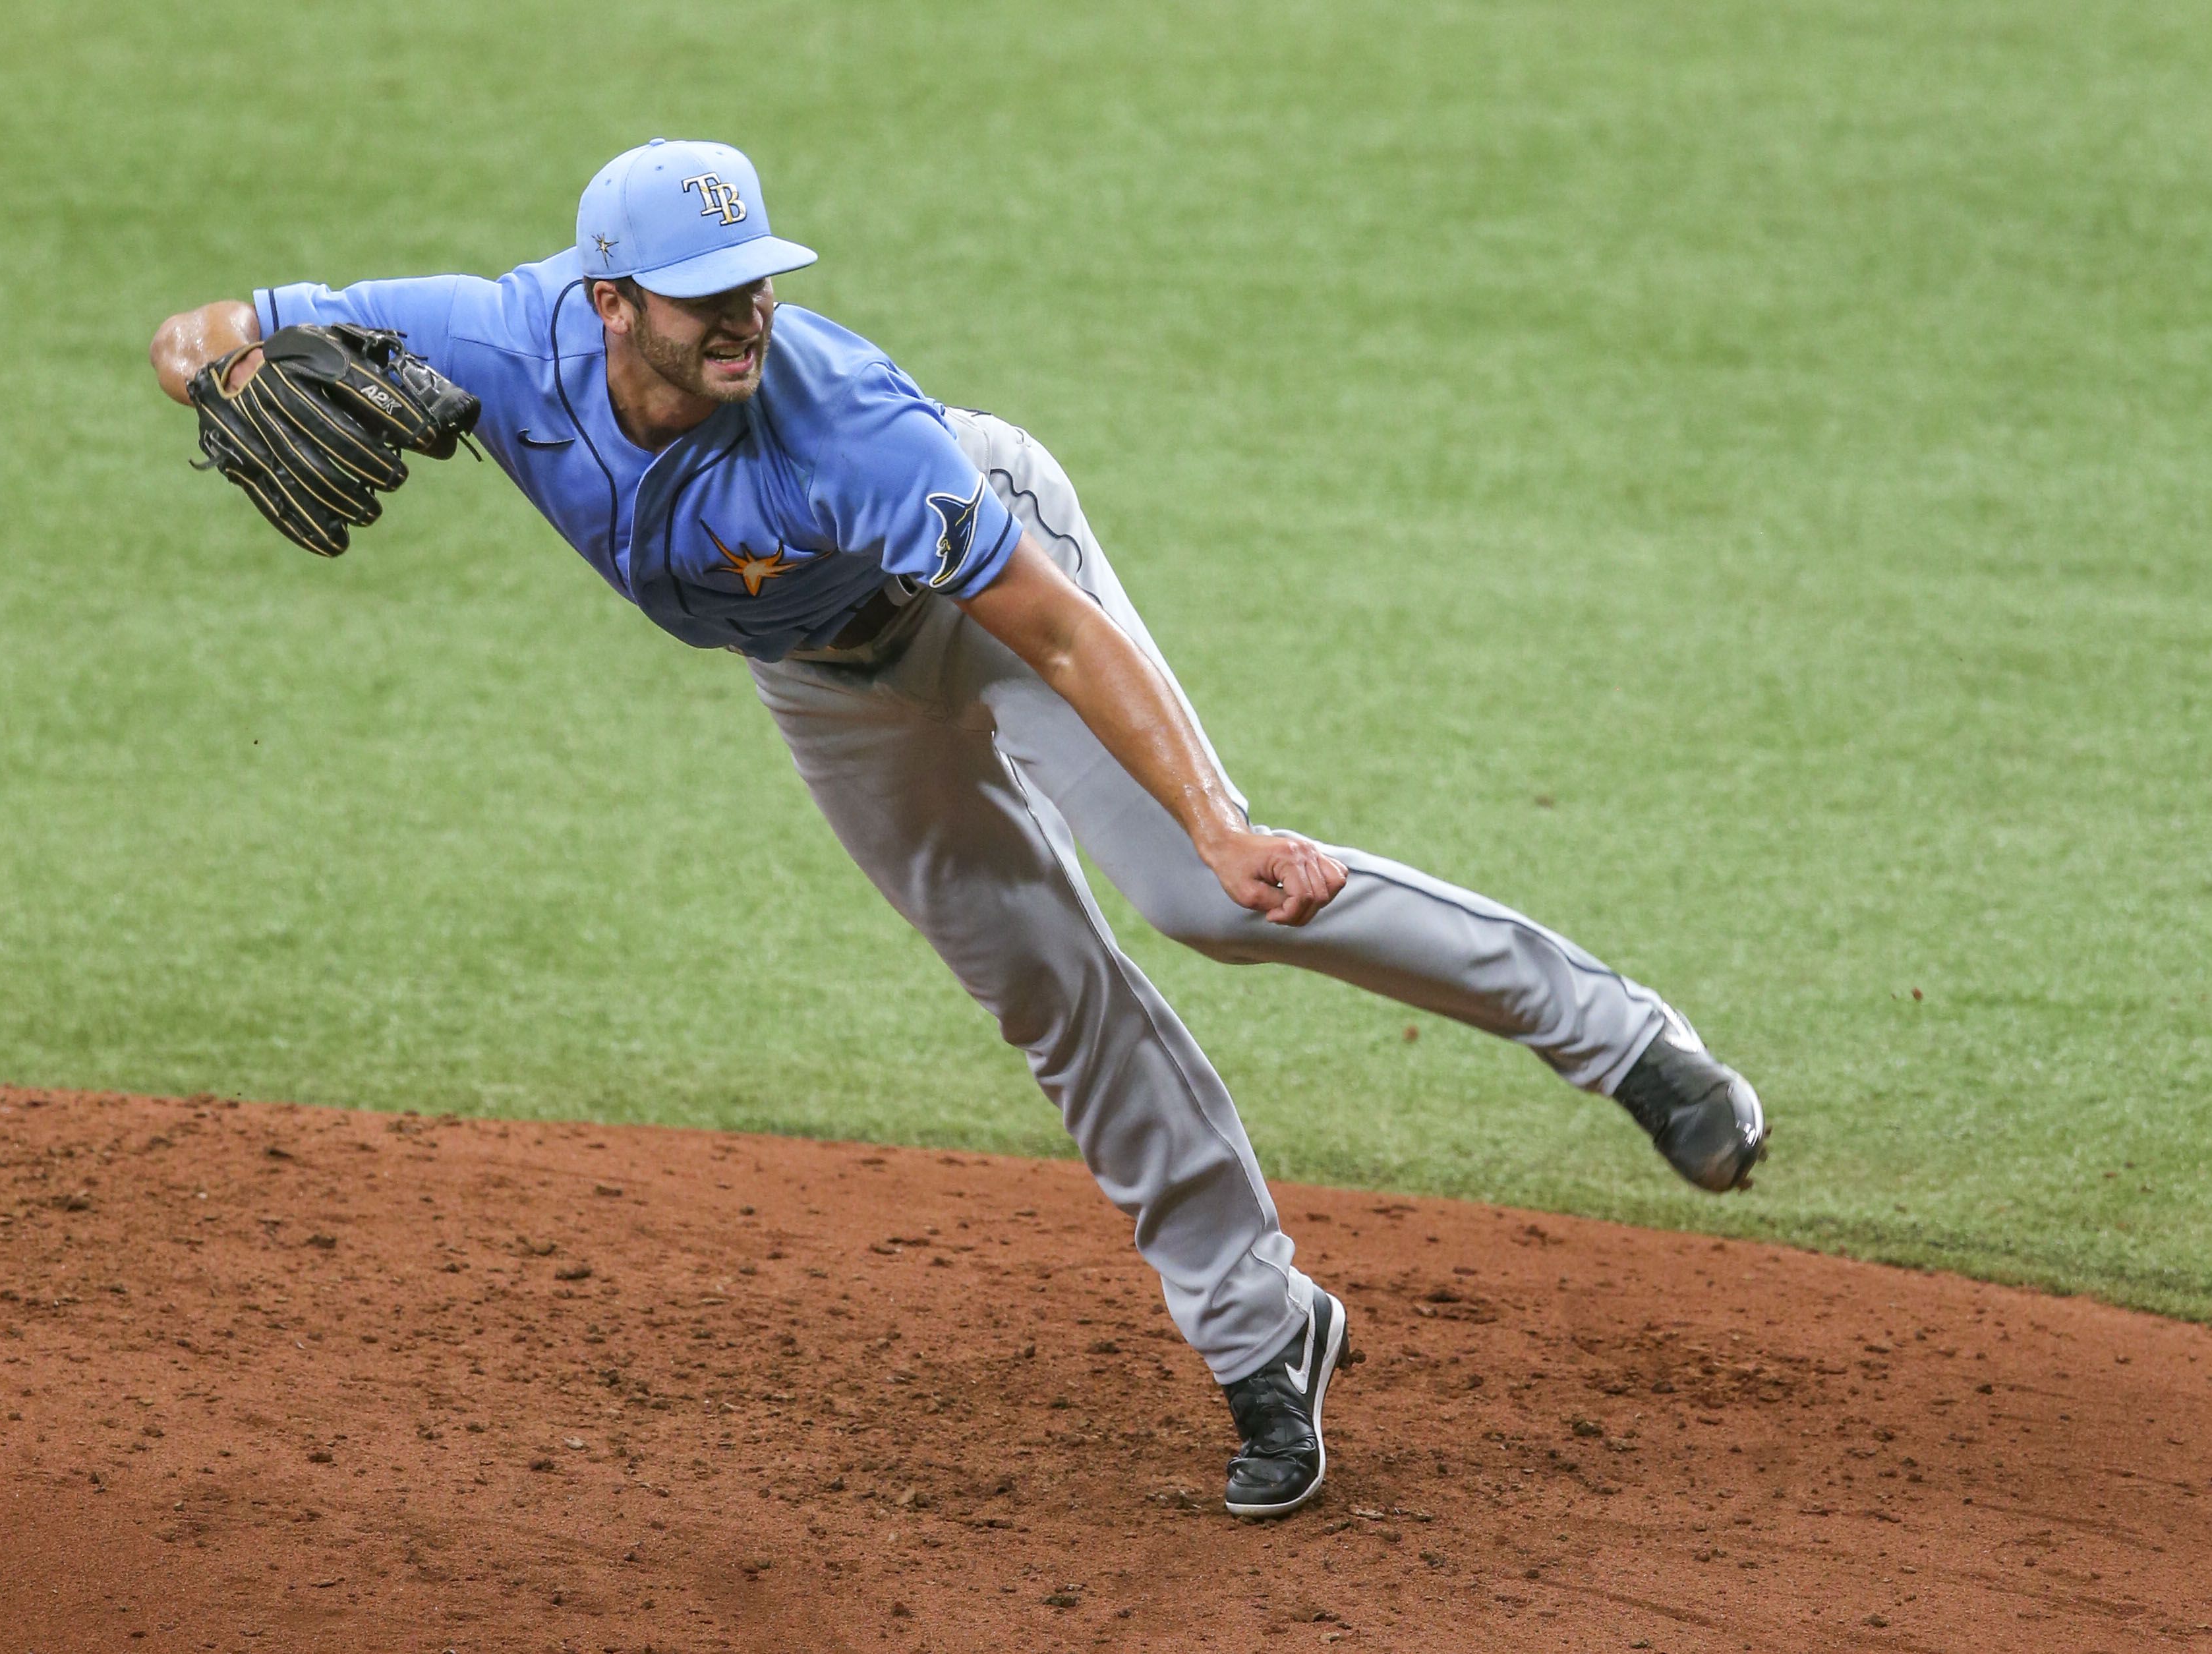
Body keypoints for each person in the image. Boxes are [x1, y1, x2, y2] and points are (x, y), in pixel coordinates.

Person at [149, 138, 1766, 1519]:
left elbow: (1056, 632)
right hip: (817, 676)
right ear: (609, 301)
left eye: (757, 277)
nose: (746, 315)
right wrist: (223, 362)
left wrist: (1211, 824)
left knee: (1206, 903)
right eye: (708, 292)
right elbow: (206, 323)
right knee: (1034, 978)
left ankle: (1625, 1043)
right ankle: (1263, 1335)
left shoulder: (837, 415)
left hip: (990, 603)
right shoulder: (494, 336)